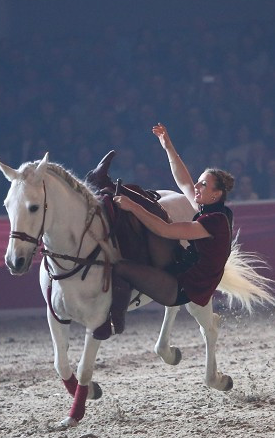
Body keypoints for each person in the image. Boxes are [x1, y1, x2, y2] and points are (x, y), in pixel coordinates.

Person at [97, 124, 235, 339]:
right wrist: (168, 147)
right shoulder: (210, 209)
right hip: (178, 265)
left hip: (183, 288)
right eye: (200, 182)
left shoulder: (215, 222)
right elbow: (184, 183)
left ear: (215, 194)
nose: (197, 186)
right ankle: (111, 186)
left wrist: (133, 206)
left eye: (204, 184)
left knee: (121, 267)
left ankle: (115, 321)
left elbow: (166, 229)